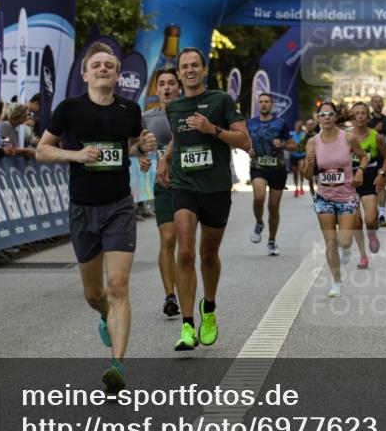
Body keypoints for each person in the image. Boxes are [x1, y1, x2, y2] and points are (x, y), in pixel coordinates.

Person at [36, 42, 157, 393]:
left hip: (119, 205)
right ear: (86, 74)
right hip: (83, 208)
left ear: (118, 75)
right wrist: (76, 154)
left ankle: (117, 365)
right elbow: (42, 150)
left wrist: (143, 148)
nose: (103, 69)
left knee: (118, 286)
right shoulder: (69, 109)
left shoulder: (129, 109)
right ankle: (105, 314)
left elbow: (132, 145)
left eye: (109, 65)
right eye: (97, 65)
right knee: (93, 293)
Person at [157, 48, 251, 352]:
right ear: (180, 72)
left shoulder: (221, 101)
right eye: (184, 67)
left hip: (216, 188)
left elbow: (244, 140)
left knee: (208, 254)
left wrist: (213, 130)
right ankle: (187, 326)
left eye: (194, 65)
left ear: (204, 69)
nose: (189, 70)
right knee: (185, 252)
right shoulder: (174, 107)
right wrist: (164, 160)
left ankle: (208, 308)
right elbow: (178, 138)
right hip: (184, 186)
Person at [304, 102, 369, 297]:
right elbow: (308, 175)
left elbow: (364, 157)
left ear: (335, 117)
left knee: (344, 240)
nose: (326, 118)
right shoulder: (312, 142)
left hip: (347, 196)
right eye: (322, 115)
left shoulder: (348, 138)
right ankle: (337, 282)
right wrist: (309, 165)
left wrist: (360, 172)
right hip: (324, 197)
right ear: (318, 118)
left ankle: (347, 248)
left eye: (330, 114)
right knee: (331, 242)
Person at [142, 67, 181, 318]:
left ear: (178, 87)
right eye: (162, 84)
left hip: (191, 185)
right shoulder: (148, 118)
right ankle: (170, 296)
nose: (166, 88)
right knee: (168, 239)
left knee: (186, 246)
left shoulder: (190, 112)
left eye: (171, 83)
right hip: (164, 184)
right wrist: (140, 157)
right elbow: (136, 144)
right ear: (157, 89)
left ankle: (188, 289)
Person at [246, 93, 295, 255]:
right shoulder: (250, 124)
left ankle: (272, 241)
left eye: (267, 102)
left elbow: (293, 146)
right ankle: (259, 222)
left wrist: (282, 143)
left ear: (271, 105)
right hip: (258, 166)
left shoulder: (281, 123)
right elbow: (242, 142)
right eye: (261, 102)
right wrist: (248, 149)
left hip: (277, 169)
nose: (264, 104)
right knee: (259, 197)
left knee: (273, 208)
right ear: (257, 105)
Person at [348, 102, 386, 269]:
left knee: (370, 219)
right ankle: (363, 256)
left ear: (368, 116)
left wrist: (381, 174)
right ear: (352, 117)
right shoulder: (345, 137)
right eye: (356, 113)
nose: (359, 116)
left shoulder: (377, 137)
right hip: (350, 183)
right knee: (356, 222)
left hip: (369, 181)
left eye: (363, 113)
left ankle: (372, 234)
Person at [368, 95, 386, 226]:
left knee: (382, 184)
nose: (378, 104)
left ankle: (382, 215)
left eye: (380, 102)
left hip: (383, 157)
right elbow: (362, 135)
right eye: (376, 102)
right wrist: (374, 130)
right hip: (369, 157)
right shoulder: (367, 119)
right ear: (372, 104)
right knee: (372, 188)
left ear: (383, 104)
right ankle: (374, 212)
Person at [288, 120, 307, 196]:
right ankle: (296, 188)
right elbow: (288, 143)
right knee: (295, 173)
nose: (298, 128)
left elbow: (304, 143)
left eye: (300, 126)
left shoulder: (303, 134)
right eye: (297, 126)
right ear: (295, 126)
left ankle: (301, 186)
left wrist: (299, 144)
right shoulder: (291, 134)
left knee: (301, 170)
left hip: (302, 155)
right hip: (293, 155)